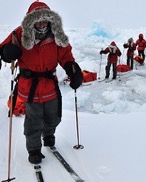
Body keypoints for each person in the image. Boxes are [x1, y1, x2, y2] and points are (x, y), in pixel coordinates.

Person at [0, 1, 83, 164]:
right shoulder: (19, 34)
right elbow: (3, 48)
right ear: (31, 20)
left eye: (45, 19)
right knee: (33, 119)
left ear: (51, 20)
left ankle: (49, 134)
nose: (42, 22)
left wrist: (72, 69)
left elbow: (65, 55)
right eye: (38, 19)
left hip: (49, 84)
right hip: (29, 85)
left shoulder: (57, 35)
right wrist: (6, 52)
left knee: (53, 117)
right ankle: (34, 150)